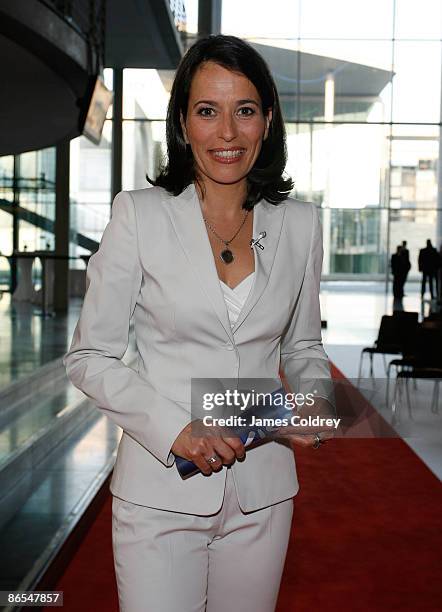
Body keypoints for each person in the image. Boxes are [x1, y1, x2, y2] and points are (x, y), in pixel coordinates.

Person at [62, 34, 334, 612]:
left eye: (245, 111)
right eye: (208, 111)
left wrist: (313, 398)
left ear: (268, 120)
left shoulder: (302, 224)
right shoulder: (139, 215)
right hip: (161, 492)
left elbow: (304, 343)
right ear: (184, 123)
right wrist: (176, 431)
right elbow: (89, 357)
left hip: (264, 491)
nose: (228, 134)